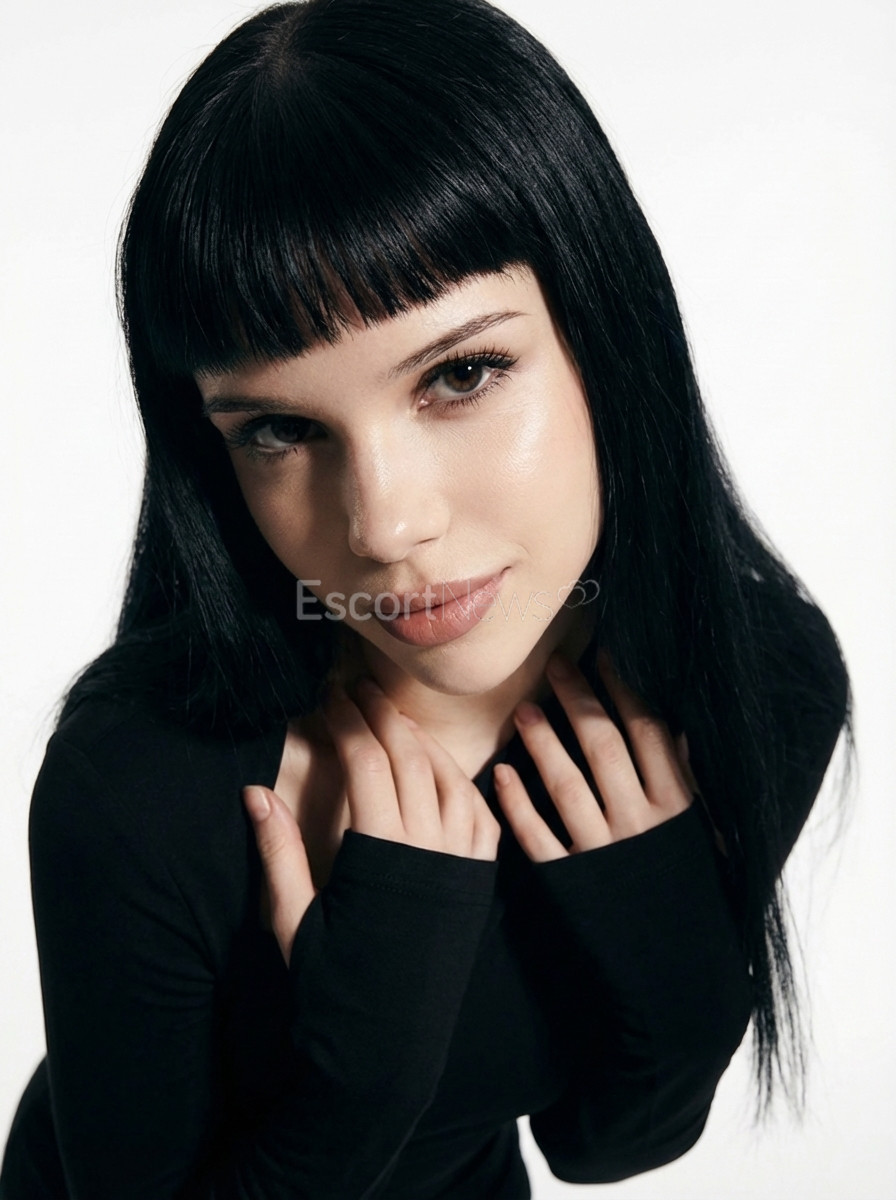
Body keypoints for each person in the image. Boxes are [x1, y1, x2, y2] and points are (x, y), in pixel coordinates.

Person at [0, 0, 852, 1196]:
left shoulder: (757, 676)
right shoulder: (142, 782)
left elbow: (602, 1144)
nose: (382, 525)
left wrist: (674, 952)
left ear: (604, 329)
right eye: (280, 430)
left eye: (460, 374)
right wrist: (358, 1076)